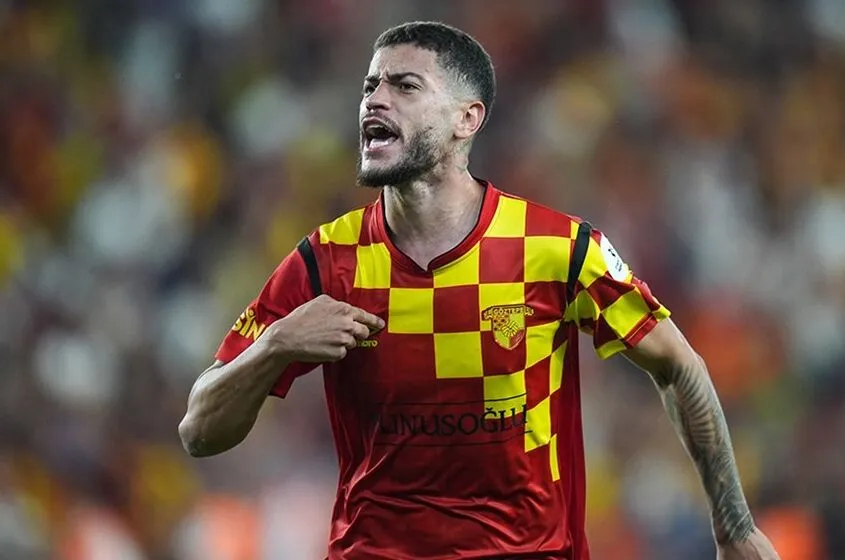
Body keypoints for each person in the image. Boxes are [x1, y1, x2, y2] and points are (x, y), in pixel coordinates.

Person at [178, 21, 780, 560]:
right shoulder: (325, 260)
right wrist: (275, 345)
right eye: (370, 86)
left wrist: (733, 527)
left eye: (405, 86)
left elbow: (680, 367)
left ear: (467, 119)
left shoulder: (556, 247)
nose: (375, 100)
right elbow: (199, 431)